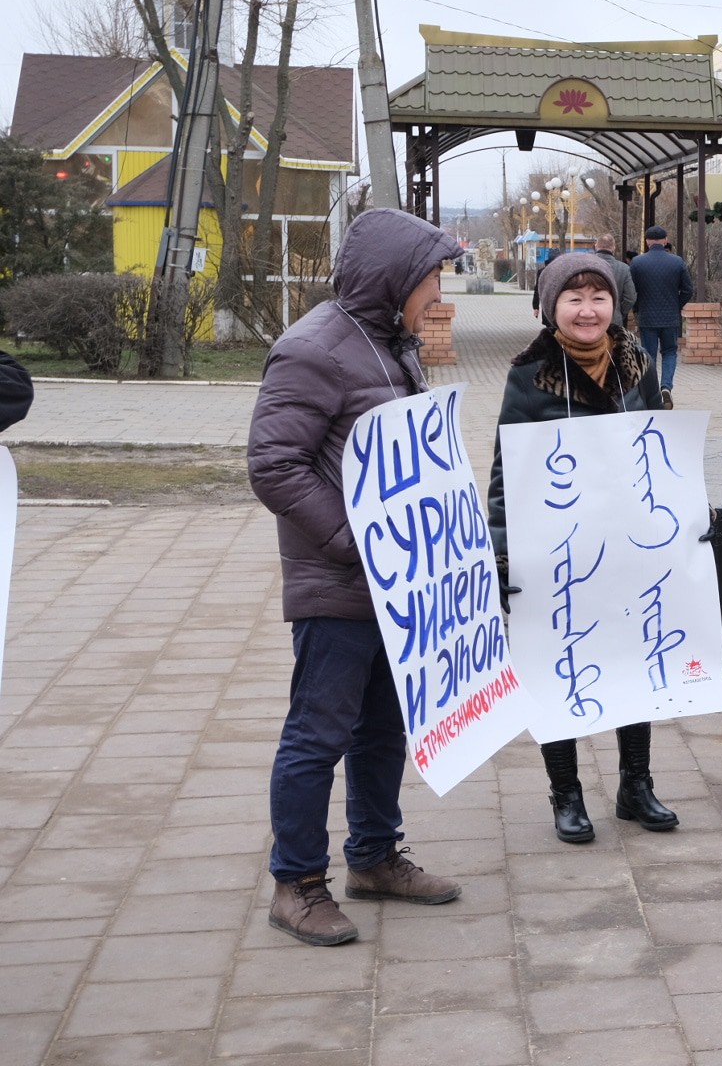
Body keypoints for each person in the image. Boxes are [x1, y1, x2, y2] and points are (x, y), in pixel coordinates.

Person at [247, 207, 464, 947]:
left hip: (396, 587)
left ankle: (373, 857)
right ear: (394, 276)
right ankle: (297, 883)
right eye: (430, 275)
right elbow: (273, 465)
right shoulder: (312, 350)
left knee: (383, 729)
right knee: (318, 734)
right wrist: (352, 541)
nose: (437, 291)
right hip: (340, 584)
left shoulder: (386, 342)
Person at [487, 252, 680, 840]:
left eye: (598, 298)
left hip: (626, 548)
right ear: (551, 310)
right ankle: (565, 794)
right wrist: (500, 551)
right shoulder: (528, 376)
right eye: (574, 299)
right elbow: (505, 472)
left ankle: (636, 786)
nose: (587, 310)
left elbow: (659, 451)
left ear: (616, 306)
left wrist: (688, 506)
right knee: (559, 666)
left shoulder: (637, 366)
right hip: (558, 555)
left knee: (633, 661)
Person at [630, 225, 694, 408]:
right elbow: (688, 290)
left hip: (647, 317)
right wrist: (676, 306)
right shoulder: (677, 262)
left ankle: (651, 393)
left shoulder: (637, 263)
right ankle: (666, 386)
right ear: (665, 241)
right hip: (670, 318)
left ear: (647, 241)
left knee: (648, 355)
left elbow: (632, 291)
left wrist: (637, 309)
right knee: (669, 353)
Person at [593, 232, 638, 326]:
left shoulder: (585, 265)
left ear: (596, 246)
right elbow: (630, 297)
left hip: (590, 319)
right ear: (613, 247)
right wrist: (620, 312)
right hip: (614, 319)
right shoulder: (624, 268)